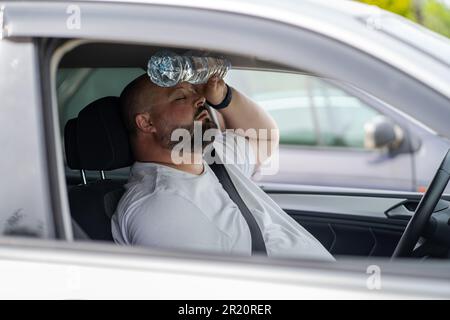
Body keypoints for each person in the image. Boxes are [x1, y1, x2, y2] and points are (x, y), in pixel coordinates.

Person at [111, 73, 334, 261]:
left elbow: (264, 138)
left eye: (196, 93)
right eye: (180, 97)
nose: (200, 99)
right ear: (146, 123)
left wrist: (223, 96)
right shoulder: (159, 206)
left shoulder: (212, 155)